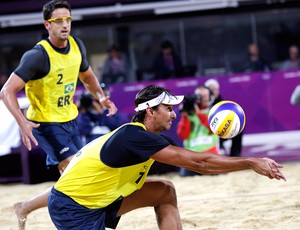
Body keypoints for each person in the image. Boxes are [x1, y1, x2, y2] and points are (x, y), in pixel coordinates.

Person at [48, 84, 285, 230]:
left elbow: (200, 162)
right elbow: (199, 163)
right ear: (150, 111)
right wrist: (250, 162)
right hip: (74, 208)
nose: (173, 114)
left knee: (165, 191)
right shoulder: (134, 137)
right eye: (168, 109)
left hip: (99, 198)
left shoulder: (147, 138)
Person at [0, 1, 117, 229]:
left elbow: (88, 76)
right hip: (46, 124)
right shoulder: (37, 55)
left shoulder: (76, 45)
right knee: (80, 172)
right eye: (59, 21)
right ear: (47, 25)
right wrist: (22, 122)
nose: (65, 25)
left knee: (71, 180)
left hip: (69, 119)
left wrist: (101, 97)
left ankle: (25, 207)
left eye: (68, 20)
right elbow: (6, 91)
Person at [176, 85, 220, 177]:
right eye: (199, 96)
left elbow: (214, 129)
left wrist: (199, 114)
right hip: (191, 156)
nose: (201, 99)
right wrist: (185, 116)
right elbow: (183, 135)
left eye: (204, 96)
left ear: (210, 98)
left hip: (210, 153)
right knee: (184, 175)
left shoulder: (213, 111)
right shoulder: (189, 114)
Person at [204, 78, 244, 157]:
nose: (214, 92)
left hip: (220, 130)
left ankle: (235, 155)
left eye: (215, 89)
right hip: (206, 132)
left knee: (237, 127)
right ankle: (219, 147)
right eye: (211, 89)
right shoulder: (202, 102)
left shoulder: (222, 103)